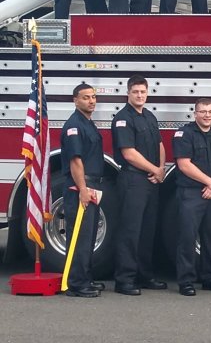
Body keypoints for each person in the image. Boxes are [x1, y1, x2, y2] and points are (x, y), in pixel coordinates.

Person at [112, 75, 166, 296]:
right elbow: (129, 154)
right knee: (130, 231)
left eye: (143, 92)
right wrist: (154, 170)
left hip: (151, 181)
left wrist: (160, 170)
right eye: (135, 92)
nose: (140, 95)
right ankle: (124, 280)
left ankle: (145, 275)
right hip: (133, 180)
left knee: (147, 231)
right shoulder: (123, 119)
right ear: (128, 93)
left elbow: (160, 144)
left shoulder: (150, 116)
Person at [172, 98, 211, 296]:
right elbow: (184, 164)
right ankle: (186, 281)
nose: (208, 115)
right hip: (191, 193)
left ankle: (210, 279)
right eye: (203, 111)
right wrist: (210, 182)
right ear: (195, 113)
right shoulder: (185, 134)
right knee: (187, 238)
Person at [61, 83, 105, 297]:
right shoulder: (74, 125)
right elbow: (75, 161)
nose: (91, 101)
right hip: (80, 185)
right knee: (79, 235)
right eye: (86, 97)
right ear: (75, 100)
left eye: (93, 97)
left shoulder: (88, 123)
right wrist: (82, 189)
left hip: (92, 185)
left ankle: (85, 278)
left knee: (88, 236)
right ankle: (76, 284)